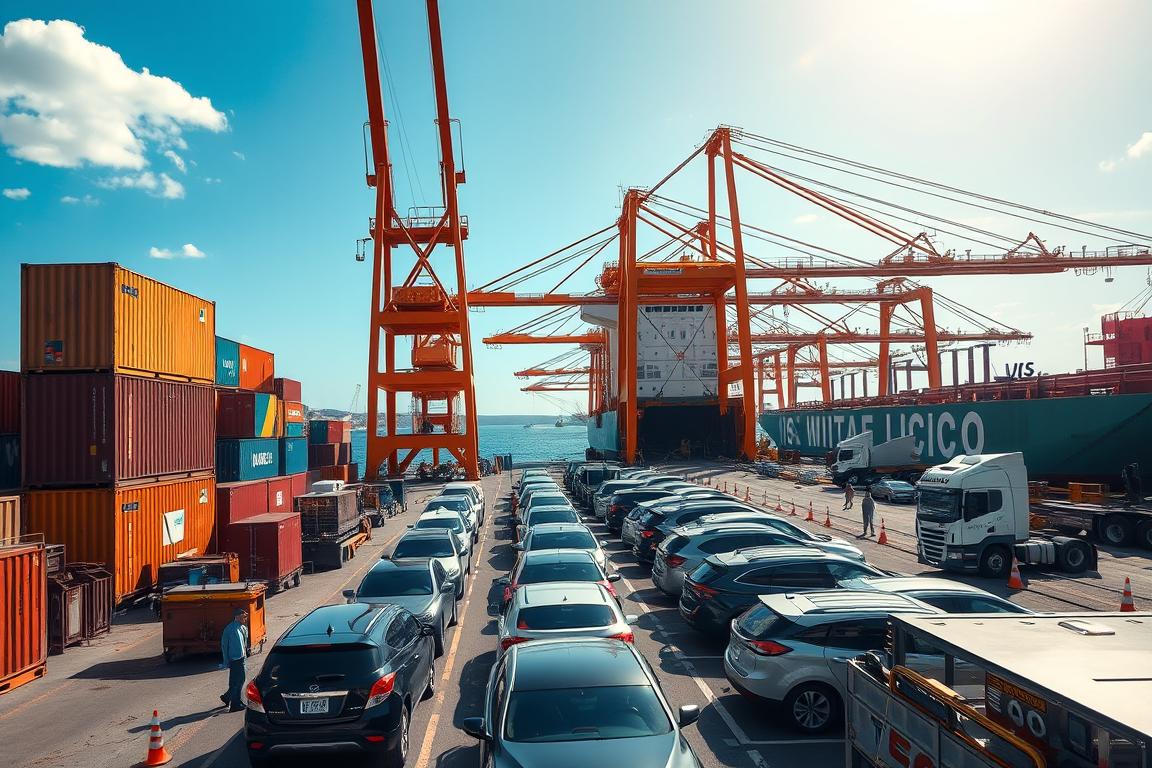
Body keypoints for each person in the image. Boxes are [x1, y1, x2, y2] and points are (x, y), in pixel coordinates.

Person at [219, 607, 249, 712]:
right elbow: (224, 645)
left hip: (242, 658)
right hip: (235, 659)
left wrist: (246, 654)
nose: (245, 618)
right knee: (239, 680)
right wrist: (226, 661)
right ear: (237, 617)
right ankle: (235, 704)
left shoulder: (243, 628)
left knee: (236, 681)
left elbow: (245, 643)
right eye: (243, 617)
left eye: (245, 617)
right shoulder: (230, 629)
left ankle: (227, 697)